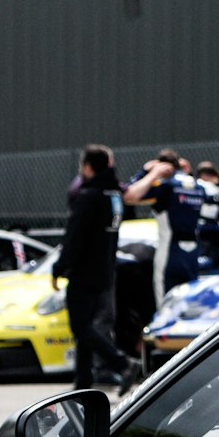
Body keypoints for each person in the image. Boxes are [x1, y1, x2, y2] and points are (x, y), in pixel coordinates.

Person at [51, 144, 141, 393]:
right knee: (87, 327)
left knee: (80, 327)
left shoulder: (88, 195)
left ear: (87, 167)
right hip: (105, 270)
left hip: (84, 271)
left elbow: (75, 237)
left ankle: (122, 363)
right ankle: (83, 382)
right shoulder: (114, 195)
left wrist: (59, 267)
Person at [123, 148, 206, 305]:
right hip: (193, 253)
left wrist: (145, 172)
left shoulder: (165, 185)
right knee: (189, 300)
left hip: (170, 251)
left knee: (165, 302)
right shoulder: (198, 186)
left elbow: (129, 195)